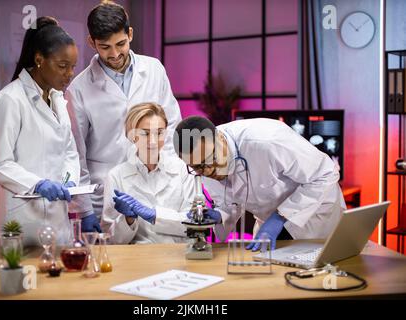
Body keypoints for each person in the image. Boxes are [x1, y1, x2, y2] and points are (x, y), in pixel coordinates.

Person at [66, 2, 181, 232]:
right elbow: (76, 153)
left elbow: (171, 126)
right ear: (92, 42)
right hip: (106, 192)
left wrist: (172, 177)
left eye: (120, 44)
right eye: (105, 47)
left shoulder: (154, 70)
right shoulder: (78, 89)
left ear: (130, 34)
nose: (115, 54)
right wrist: (85, 210)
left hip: (153, 185)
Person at [173, 116, 346, 250]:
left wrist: (280, 218)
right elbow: (232, 201)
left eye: (210, 160)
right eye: (197, 167)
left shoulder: (267, 141)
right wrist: (220, 214)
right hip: (269, 228)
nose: (208, 171)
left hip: (316, 218)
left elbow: (326, 173)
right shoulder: (201, 158)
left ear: (220, 138)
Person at [0, 17, 80, 246]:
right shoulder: (9, 99)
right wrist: (37, 184)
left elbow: (69, 152)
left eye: (73, 67)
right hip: (22, 218)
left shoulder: (58, 99)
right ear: (39, 59)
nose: (69, 74)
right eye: (62, 66)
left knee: (60, 278)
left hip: (57, 217)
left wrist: (68, 182)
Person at [103, 102, 194, 244]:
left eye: (159, 133)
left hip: (177, 255)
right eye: (145, 133)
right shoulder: (116, 176)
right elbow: (110, 240)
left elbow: (193, 224)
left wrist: (155, 215)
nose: (153, 142)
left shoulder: (182, 169)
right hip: (137, 258)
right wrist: (127, 220)